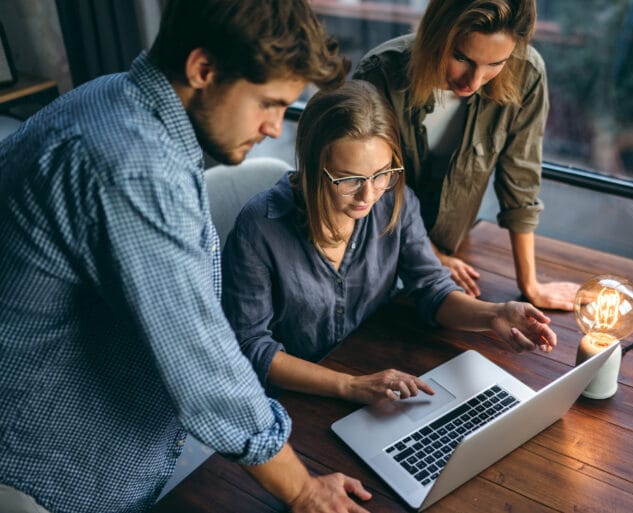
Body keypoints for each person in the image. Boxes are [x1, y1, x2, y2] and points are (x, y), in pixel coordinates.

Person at [0, 1, 372, 512]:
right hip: (47, 471)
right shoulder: (132, 165)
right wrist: (304, 489)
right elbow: (202, 367)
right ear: (203, 69)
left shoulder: (116, 98)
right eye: (268, 103)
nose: (274, 128)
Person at [221, 80, 556, 404]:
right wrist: (350, 385)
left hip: (371, 371)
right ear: (312, 166)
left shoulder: (395, 200)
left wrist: (494, 314)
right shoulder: (259, 228)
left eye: (382, 173)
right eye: (350, 179)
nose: (368, 195)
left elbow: (431, 288)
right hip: (295, 396)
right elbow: (251, 346)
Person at [352, 0, 580, 311]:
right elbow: (371, 188)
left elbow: (520, 180)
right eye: (461, 58)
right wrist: (430, 255)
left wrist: (530, 285)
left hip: (453, 249)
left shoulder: (527, 73)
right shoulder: (379, 74)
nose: (473, 81)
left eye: (496, 63)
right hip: (375, 247)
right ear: (435, 35)